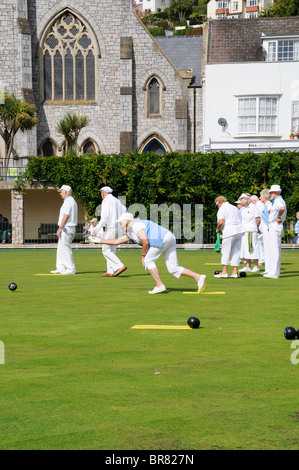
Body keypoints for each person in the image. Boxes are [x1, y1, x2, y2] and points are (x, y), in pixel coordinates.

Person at [99, 213, 207, 294]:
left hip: (161, 239)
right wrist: (99, 241)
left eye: (121, 224)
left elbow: (145, 241)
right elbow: (117, 241)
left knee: (148, 260)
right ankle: (198, 277)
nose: (120, 226)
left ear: (126, 222)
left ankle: (159, 285)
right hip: (169, 238)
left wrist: (143, 257)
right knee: (173, 268)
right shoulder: (131, 232)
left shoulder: (136, 225)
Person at [96, 186, 127, 277]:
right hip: (117, 226)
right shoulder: (117, 201)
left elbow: (105, 216)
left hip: (110, 227)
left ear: (103, 193)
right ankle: (110, 271)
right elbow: (124, 211)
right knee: (111, 250)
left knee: (105, 250)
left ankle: (120, 266)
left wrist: (98, 227)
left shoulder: (106, 200)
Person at [50, 185, 78, 274]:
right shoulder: (69, 201)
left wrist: (60, 228)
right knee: (61, 248)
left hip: (67, 228)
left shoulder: (69, 202)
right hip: (67, 228)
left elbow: (66, 215)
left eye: (61, 191)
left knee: (65, 248)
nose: (60, 193)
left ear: (65, 192)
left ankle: (71, 269)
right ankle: (61, 268)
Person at [214, 196, 244, 278]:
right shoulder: (234, 207)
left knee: (225, 251)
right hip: (239, 231)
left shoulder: (222, 209)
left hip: (229, 232)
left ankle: (224, 272)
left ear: (218, 203)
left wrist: (218, 229)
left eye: (217, 205)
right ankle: (234, 272)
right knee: (236, 252)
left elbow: (220, 222)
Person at [264, 184, 287, 279]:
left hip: (275, 225)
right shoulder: (277, 201)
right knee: (273, 249)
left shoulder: (278, 201)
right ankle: (273, 272)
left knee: (274, 249)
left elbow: (282, 208)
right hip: (273, 225)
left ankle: (274, 273)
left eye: (271, 192)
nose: (270, 194)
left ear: (275, 193)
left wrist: (278, 217)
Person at [239, 194, 261, 273]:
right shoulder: (244, 209)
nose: (240, 201)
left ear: (246, 199)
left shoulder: (253, 207)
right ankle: (248, 266)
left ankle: (256, 266)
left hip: (251, 230)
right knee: (246, 248)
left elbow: (258, 218)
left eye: (241, 199)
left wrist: (257, 228)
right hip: (244, 230)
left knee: (252, 247)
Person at [259, 189, 272, 276]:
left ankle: (270, 269)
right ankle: (267, 269)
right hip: (264, 230)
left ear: (264, 197)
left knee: (269, 249)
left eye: (261, 196)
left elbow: (271, 215)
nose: (260, 197)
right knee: (266, 250)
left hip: (268, 230)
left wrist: (269, 226)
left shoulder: (269, 205)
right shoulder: (265, 205)